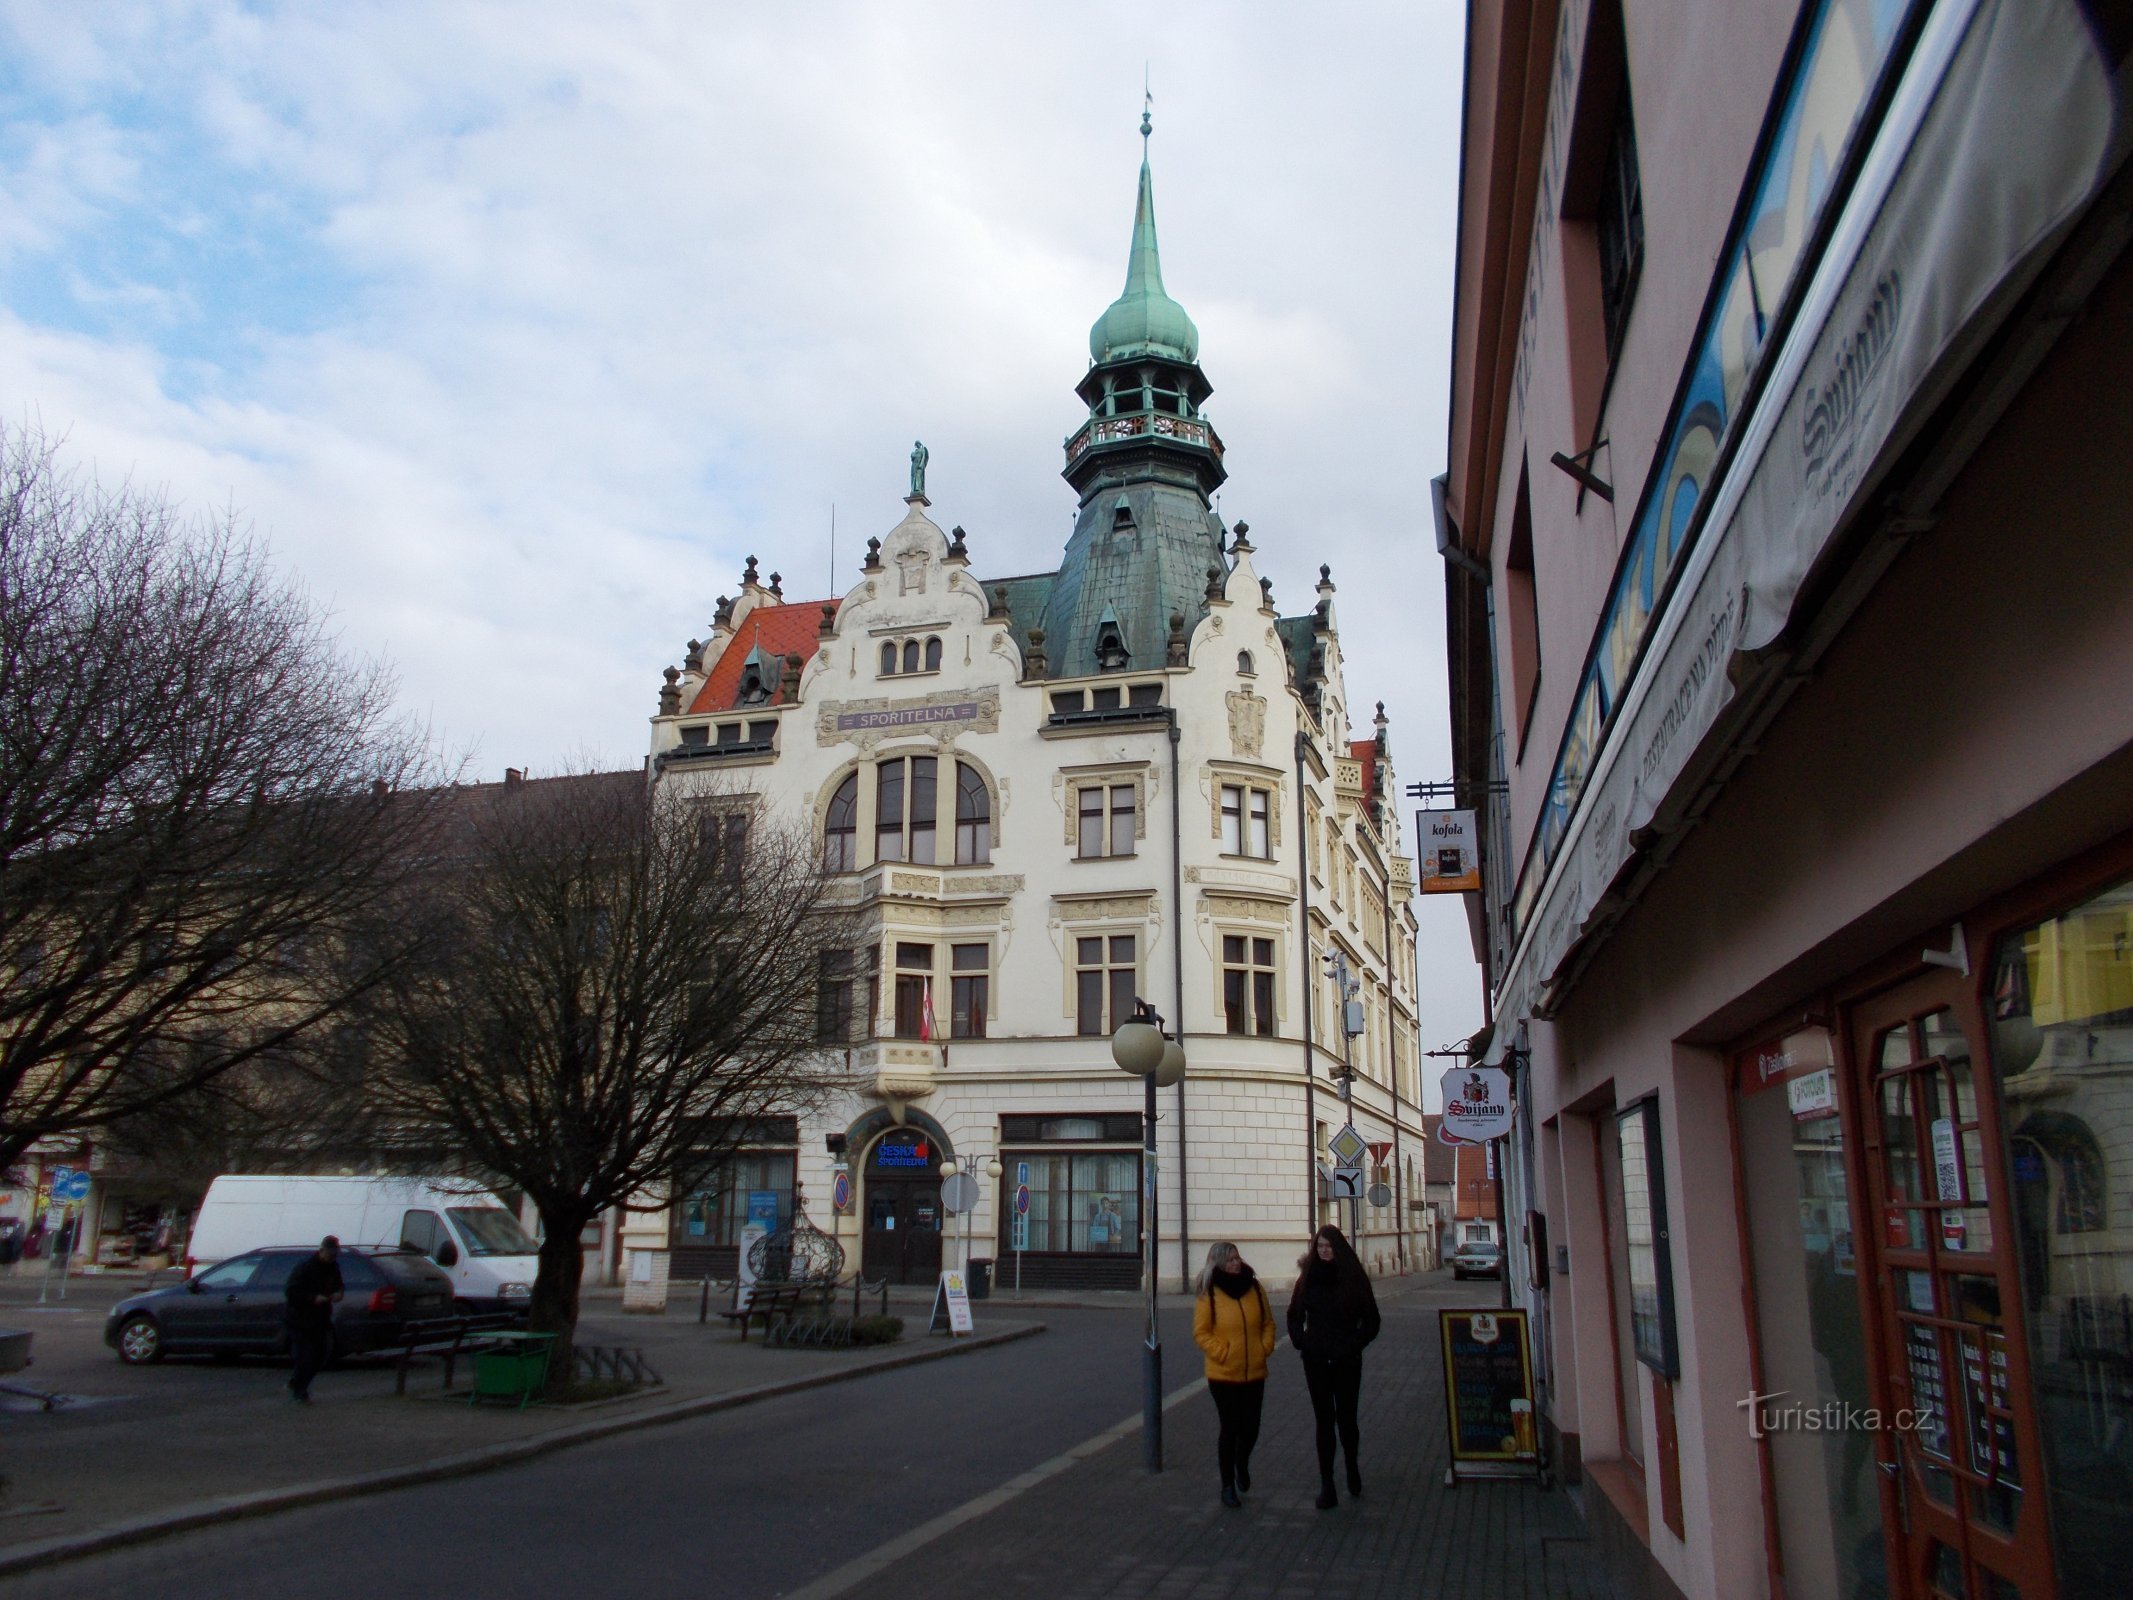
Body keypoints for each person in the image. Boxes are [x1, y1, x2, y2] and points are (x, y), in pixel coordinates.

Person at [1288, 1223, 1381, 1509]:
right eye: (1320, 1247)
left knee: (1347, 1419)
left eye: (1329, 1247)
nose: (1325, 1251)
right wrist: (1301, 1341)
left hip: (1346, 1359)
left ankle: (1352, 1467)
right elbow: (1294, 1314)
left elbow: (1372, 1321)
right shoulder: (1308, 1279)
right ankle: (1327, 1483)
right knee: (1324, 1420)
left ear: (1338, 1248)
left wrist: (1354, 1345)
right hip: (1316, 1359)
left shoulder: (1353, 1278)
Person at [1192, 1241, 1277, 1509]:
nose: (1235, 1263)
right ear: (1218, 1264)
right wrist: (1223, 1353)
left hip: (1254, 1371)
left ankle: (1242, 1462)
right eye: (1229, 1260)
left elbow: (1268, 1322)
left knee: (1251, 1428)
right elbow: (1201, 1332)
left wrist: (1264, 1347)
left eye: (1237, 1258)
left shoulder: (1254, 1287)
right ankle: (1227, 1486)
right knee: (1230, 1428)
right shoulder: (1211, 1293)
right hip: (1223, 1374)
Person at [283, 1235, 344, 1404]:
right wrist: (312, 1298)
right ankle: (300, 1391)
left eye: (335, 1254)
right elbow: (291, 1291)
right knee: (305, 1355)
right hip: (299, 1318)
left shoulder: (333, 1267)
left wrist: (339, 1294)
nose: (332, 1257)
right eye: (330, 1254)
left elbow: (339, 1285)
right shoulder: (305, 1267)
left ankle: (297, 1381)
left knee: (322, 1354)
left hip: (321, 1318)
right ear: (321, 1251)